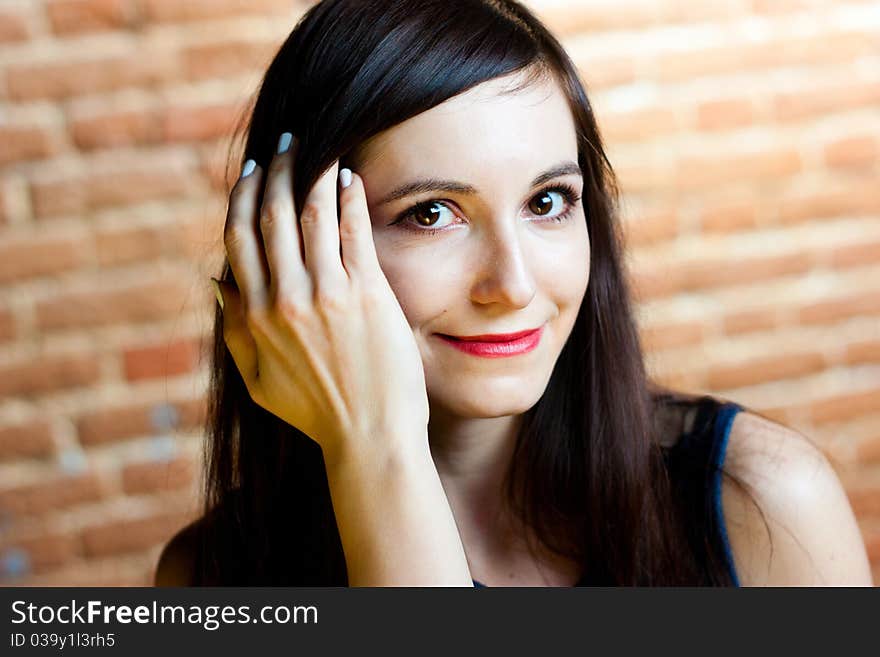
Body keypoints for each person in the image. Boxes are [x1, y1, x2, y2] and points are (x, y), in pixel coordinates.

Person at [154, 0, 873, 587]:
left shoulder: (762, 501)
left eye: (548, 201)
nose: (515, 284)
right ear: (290, 250)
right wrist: (377, 452)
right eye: (430, 212)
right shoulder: (211, 577)